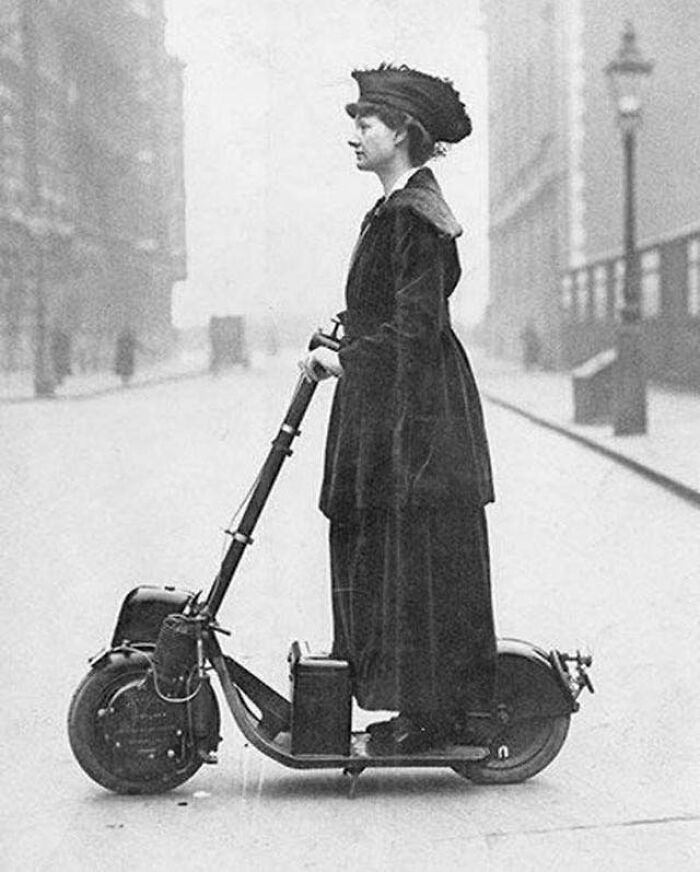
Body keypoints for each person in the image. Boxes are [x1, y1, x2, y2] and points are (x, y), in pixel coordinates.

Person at [299, 64, 497, 754]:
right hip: (391, 405)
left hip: (417, 417)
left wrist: (347, 359)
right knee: (386, 550)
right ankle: (412, 705)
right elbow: (383, 311)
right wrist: (339, 342)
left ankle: (432, 714)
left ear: (403, 133)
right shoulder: (393, 210)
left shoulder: (417, 217)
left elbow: (416, 329)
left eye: (366, 123)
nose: (354, 134)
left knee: (415, 557)